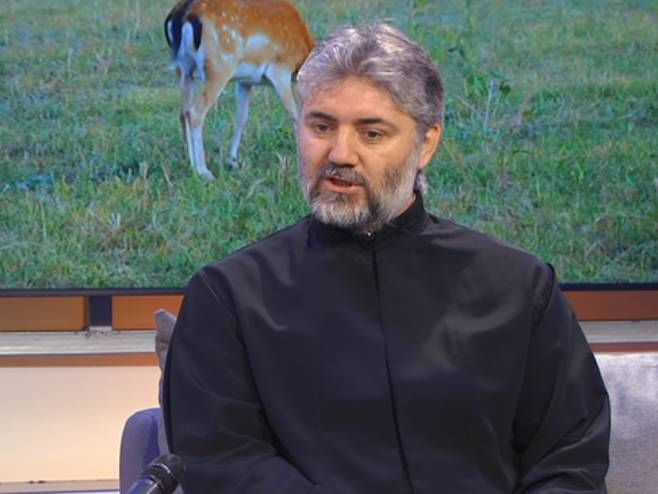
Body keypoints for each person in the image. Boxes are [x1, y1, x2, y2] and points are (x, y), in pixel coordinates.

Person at [163, 23, 610, 493]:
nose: (340, 154)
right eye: (321, 126)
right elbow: (222, 462)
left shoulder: (519, 288)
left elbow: (570, 459)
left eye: (371, 133)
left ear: (426, 143)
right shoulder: (229, 299)